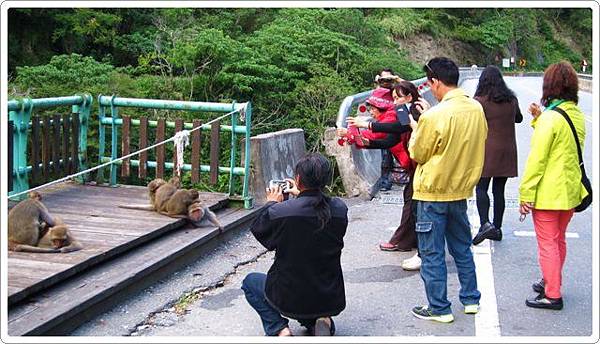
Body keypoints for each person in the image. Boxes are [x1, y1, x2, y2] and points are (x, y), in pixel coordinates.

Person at [408, 57, 487, 323]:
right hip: (460, 191)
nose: (429, 89)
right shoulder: (476, 109)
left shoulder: (433, 115)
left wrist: (416, 127)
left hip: (432, 193)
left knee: (432, 253)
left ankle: (439, 308)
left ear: (436, 82)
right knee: (462, 247)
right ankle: (471, 300)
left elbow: (418, 152)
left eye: (429, 83)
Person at [241, 153, 348, 336]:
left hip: (289, 296)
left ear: (297, 179)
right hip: (328, 296)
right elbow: (318, 208)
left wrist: (270, 204)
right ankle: (322, 320)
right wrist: (304, 195)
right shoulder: (340, 209)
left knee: (250, 282)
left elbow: (260, 230)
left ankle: (280, 329)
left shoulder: (281, 212)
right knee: (314, 305)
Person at [519, 61, 588, 310]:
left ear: (549, 86)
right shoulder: (575, 114)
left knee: (547, 242)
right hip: (570, 190)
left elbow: (537, 160)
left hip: (549, 192)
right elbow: (563, 143)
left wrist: (526, 194)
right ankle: (552, 280)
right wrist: (540, 118)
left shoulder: (551, 119)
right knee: (558, 240)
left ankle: (552, 294)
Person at [347, 81, 424, 270]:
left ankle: (416, 246)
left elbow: (398, 127)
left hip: (423, 163)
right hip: (416, 164)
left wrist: (368, 124)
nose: (395, 101)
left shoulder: (415, 110)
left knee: (415, 204)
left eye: (398, 97)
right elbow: (391, 139)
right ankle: (411, 241)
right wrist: (364, 141)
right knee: (412, 200)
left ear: (409, 97)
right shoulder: (402, 110)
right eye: (394, 97)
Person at [471, 65, 523, 245]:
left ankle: (485, 224)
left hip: (486, 150)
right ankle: (497, 228)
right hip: (507, 150)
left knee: (481, 188)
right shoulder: (511, 99)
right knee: (498, 190)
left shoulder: (479, 101)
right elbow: (519, 118)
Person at [336, 87, 402, 199]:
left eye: (372, 109)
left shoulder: (392, 116)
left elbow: (376, 134)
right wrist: (352, 134)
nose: (370, 112)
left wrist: (351, 132)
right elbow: (383, 141)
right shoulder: (393, 114)